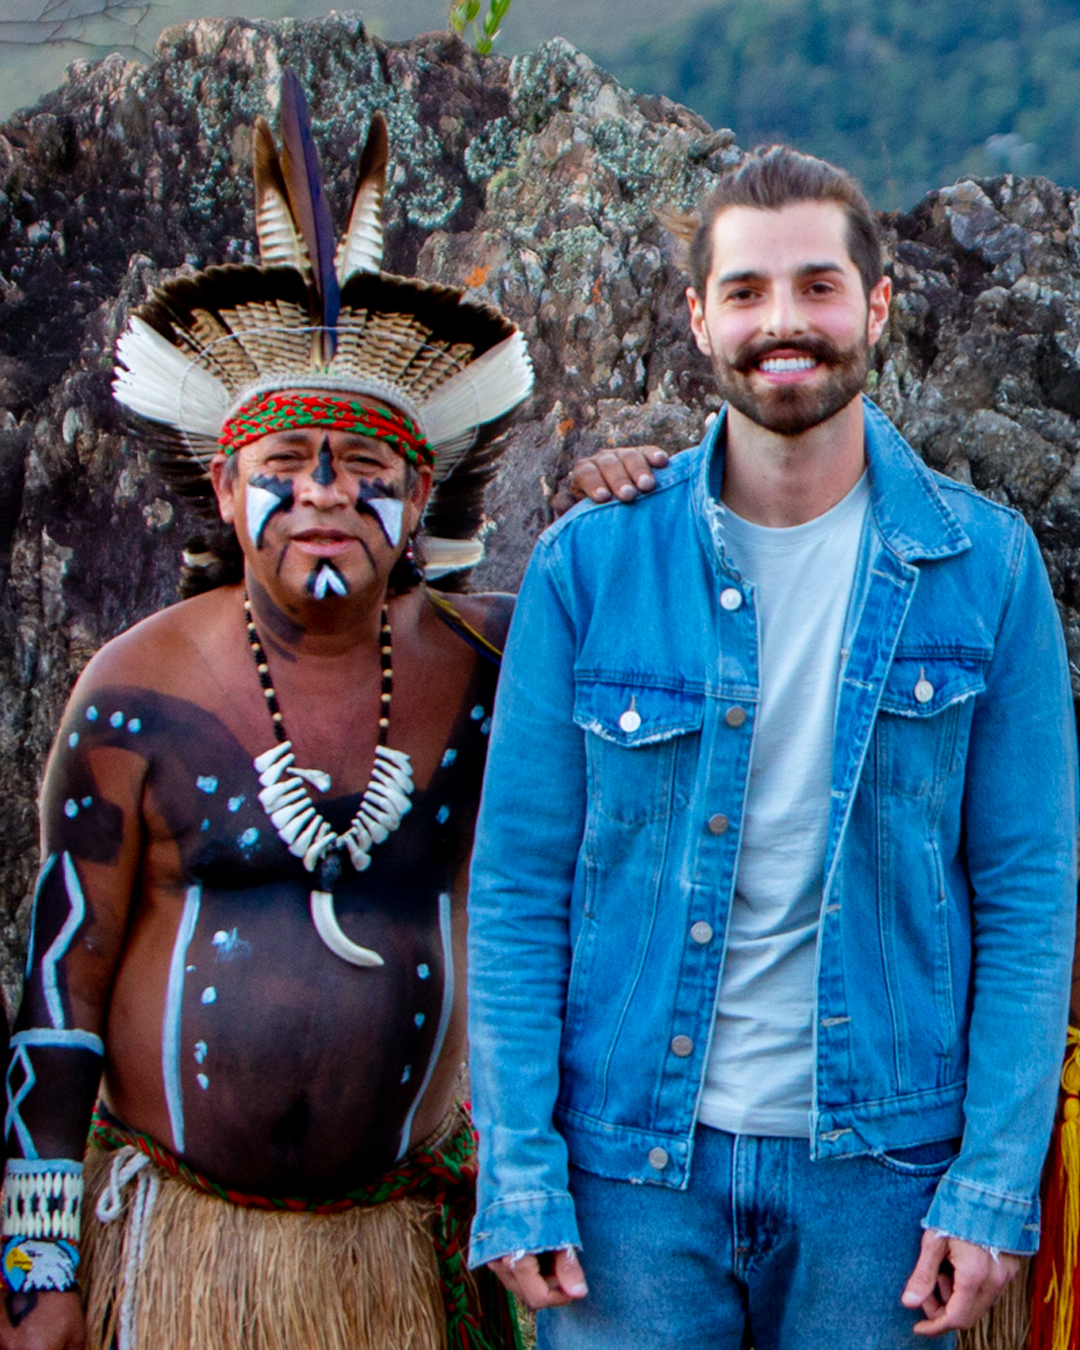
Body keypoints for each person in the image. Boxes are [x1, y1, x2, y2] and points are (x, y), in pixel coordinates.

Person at [0, 75, 639, 1350]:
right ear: (227, 491)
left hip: (403, 1248)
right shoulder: (134, 695)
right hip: (182, 1257)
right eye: (287, 468)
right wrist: (35, 1267)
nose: (327, 496)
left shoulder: (499, 656)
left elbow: (692, 652)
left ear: (419, 493)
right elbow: (58, 992)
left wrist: (625, 509)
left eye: (366, 470)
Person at [466, 144, 1079, 1350]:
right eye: (745, 292)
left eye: (816, 286)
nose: (782, 322)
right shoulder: (589, 568)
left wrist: (995, 1183)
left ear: (877, 306)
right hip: (630, 1173)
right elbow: (519, 886)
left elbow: (1026, 891)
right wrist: (523, 1164)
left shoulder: (987, 572)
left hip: (884, 1179)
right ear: (699, 320)